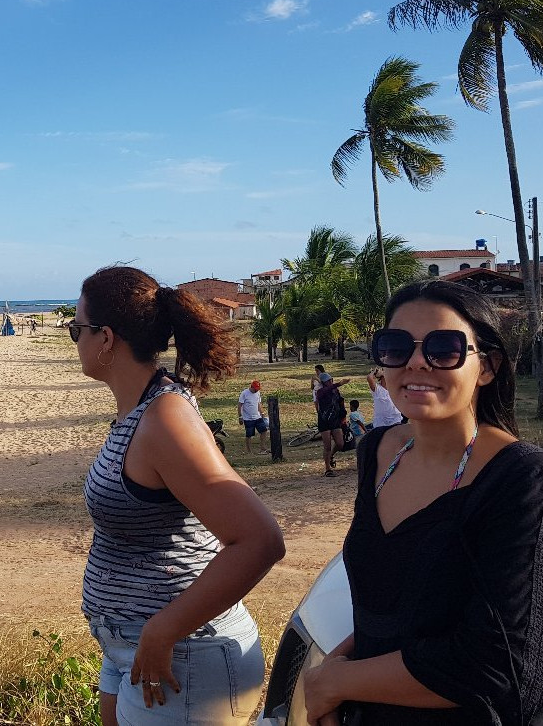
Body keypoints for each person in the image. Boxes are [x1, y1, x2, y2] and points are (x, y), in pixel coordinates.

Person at [303, 280, 543, 725]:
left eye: (445, 347)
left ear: (488, 367)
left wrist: (338, 683)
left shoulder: (525, 482)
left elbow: (503, 670)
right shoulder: (376, 452)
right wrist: (339, 668)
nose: (417, 361)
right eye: (396, 346)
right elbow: (391, 607)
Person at [73, 266, 284, 725]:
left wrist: (163, 629)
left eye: (77, 330)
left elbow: (259, 540)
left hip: (184, 653)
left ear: (105, 338)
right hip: (134, 647)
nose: (76, 341)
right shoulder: (139, 410)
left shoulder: (165, 419)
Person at [315, 372, 348, 477]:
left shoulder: (335, 390)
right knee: (327, 445)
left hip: (334, 419)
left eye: (331, 380)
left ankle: (331, 456)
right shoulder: (320, 391)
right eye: (328, 381)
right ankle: (327, 468)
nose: (330, 382)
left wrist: (343, 417)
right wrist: (338, 384)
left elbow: (340, 403)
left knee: (340, 443)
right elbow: (322, 393)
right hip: (324, 420)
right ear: (324, 383)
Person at [238, 379, 268, 454]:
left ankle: (263, 448)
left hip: (257, 417)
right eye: (255, 389)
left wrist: (262, 412)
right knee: (249, 435)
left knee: (263, 431)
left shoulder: (258, 393)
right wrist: (240, 417)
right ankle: (249, 451)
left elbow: (258, 403)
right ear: (251, 387)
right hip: (248, 418)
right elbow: (239, 405)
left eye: (258, 389)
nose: (256, 391)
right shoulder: (244, 393)